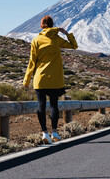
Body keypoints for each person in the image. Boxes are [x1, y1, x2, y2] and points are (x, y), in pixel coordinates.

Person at [23, 15, 78, 144]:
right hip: (55, 80)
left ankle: (44, 133)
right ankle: (54, 132)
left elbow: (32, 62)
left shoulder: (36, 40)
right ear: (53, 25)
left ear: (41, 25)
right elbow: (74, 46)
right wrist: (67, 33)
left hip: (40, 79)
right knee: (54, 105)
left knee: (41, 106)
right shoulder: (57, 39)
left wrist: (26, 80)